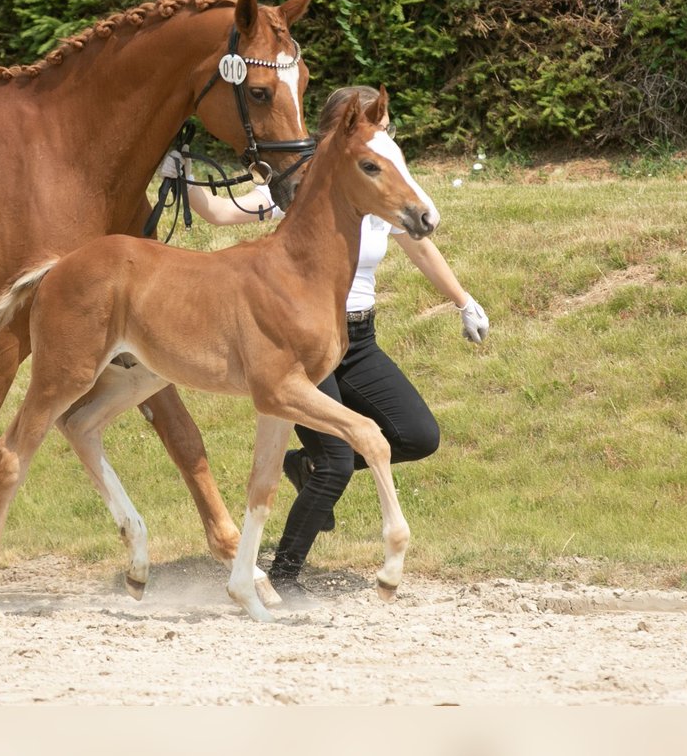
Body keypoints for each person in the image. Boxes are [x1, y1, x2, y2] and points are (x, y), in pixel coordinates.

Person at [160, 84, 489, 603]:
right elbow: (222, 214)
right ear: (343, 132)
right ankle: (285, 573)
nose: (382, 140)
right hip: (297, 338)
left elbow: (424, 250)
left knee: (417, 435)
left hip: (355, 335)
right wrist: (182, 178)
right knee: (336, 460)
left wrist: (463, 300)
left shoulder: (375, 187)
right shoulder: (302, 189)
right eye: (372, 131)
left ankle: (302, 468)